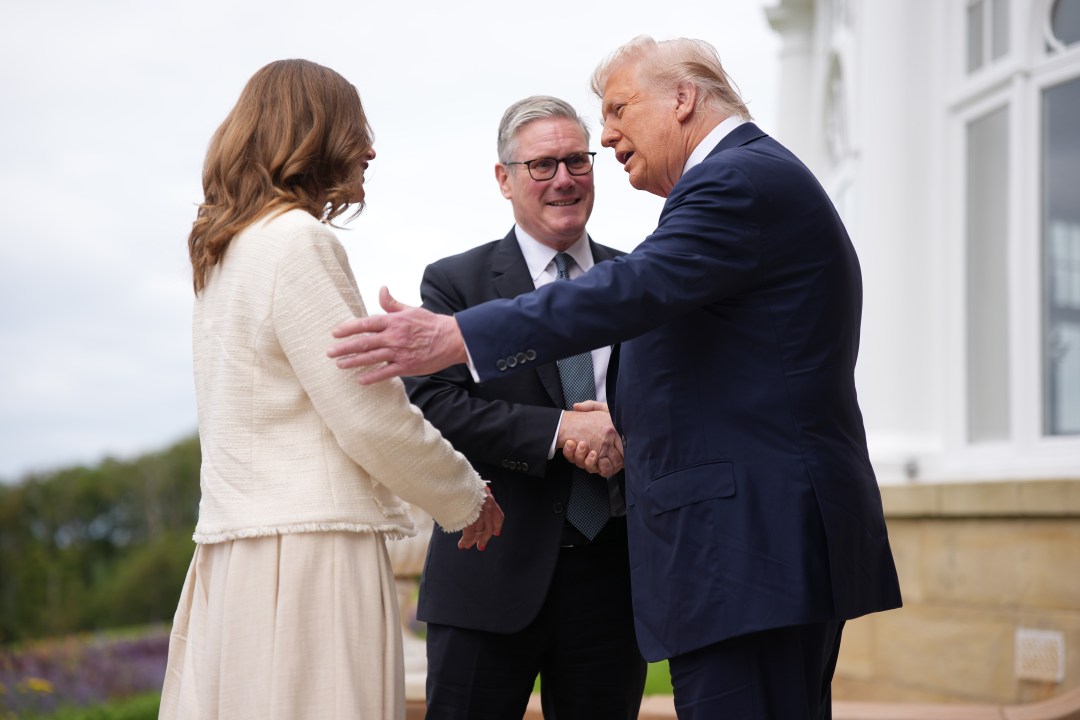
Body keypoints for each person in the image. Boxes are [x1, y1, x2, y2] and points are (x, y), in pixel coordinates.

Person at [328, 36, 904, 719]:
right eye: (547, 161)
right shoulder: (743, 181)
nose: (607, 135)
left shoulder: (733, 181)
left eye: (618, 111)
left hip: (749, 553)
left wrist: (458, 335)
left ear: (683, 98)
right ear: (504, 176)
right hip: (678, 562)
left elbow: (628, 290)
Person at [159, 59, 503, 720]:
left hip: (235, 557)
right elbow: (368, 415)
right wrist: (464, 494)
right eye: (354, 129)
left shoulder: (225, 254)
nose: (369, 149)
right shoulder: (297, 243)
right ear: (311, 134)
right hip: (310, 557)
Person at [402, 95, 646, 720]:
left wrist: (625, 431)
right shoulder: (456, 283)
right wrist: (559, 431)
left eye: (577, 161)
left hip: (612, 579)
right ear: (504, 179)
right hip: (489, 571)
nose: (563, 179)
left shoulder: (638, 280)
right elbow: (434, 404)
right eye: (542, 166)